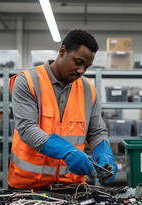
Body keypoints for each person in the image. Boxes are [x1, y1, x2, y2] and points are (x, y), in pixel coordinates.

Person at [8, 29, 117, 189]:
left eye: (86, 67)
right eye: (78, 62)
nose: (81, 71)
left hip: (72, 187)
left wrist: (105, 154)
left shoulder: (87, 88)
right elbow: (27, 129)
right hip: (28, 185)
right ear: (62, 51)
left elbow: (96, 132)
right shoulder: (28, 81)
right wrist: (67, 151)